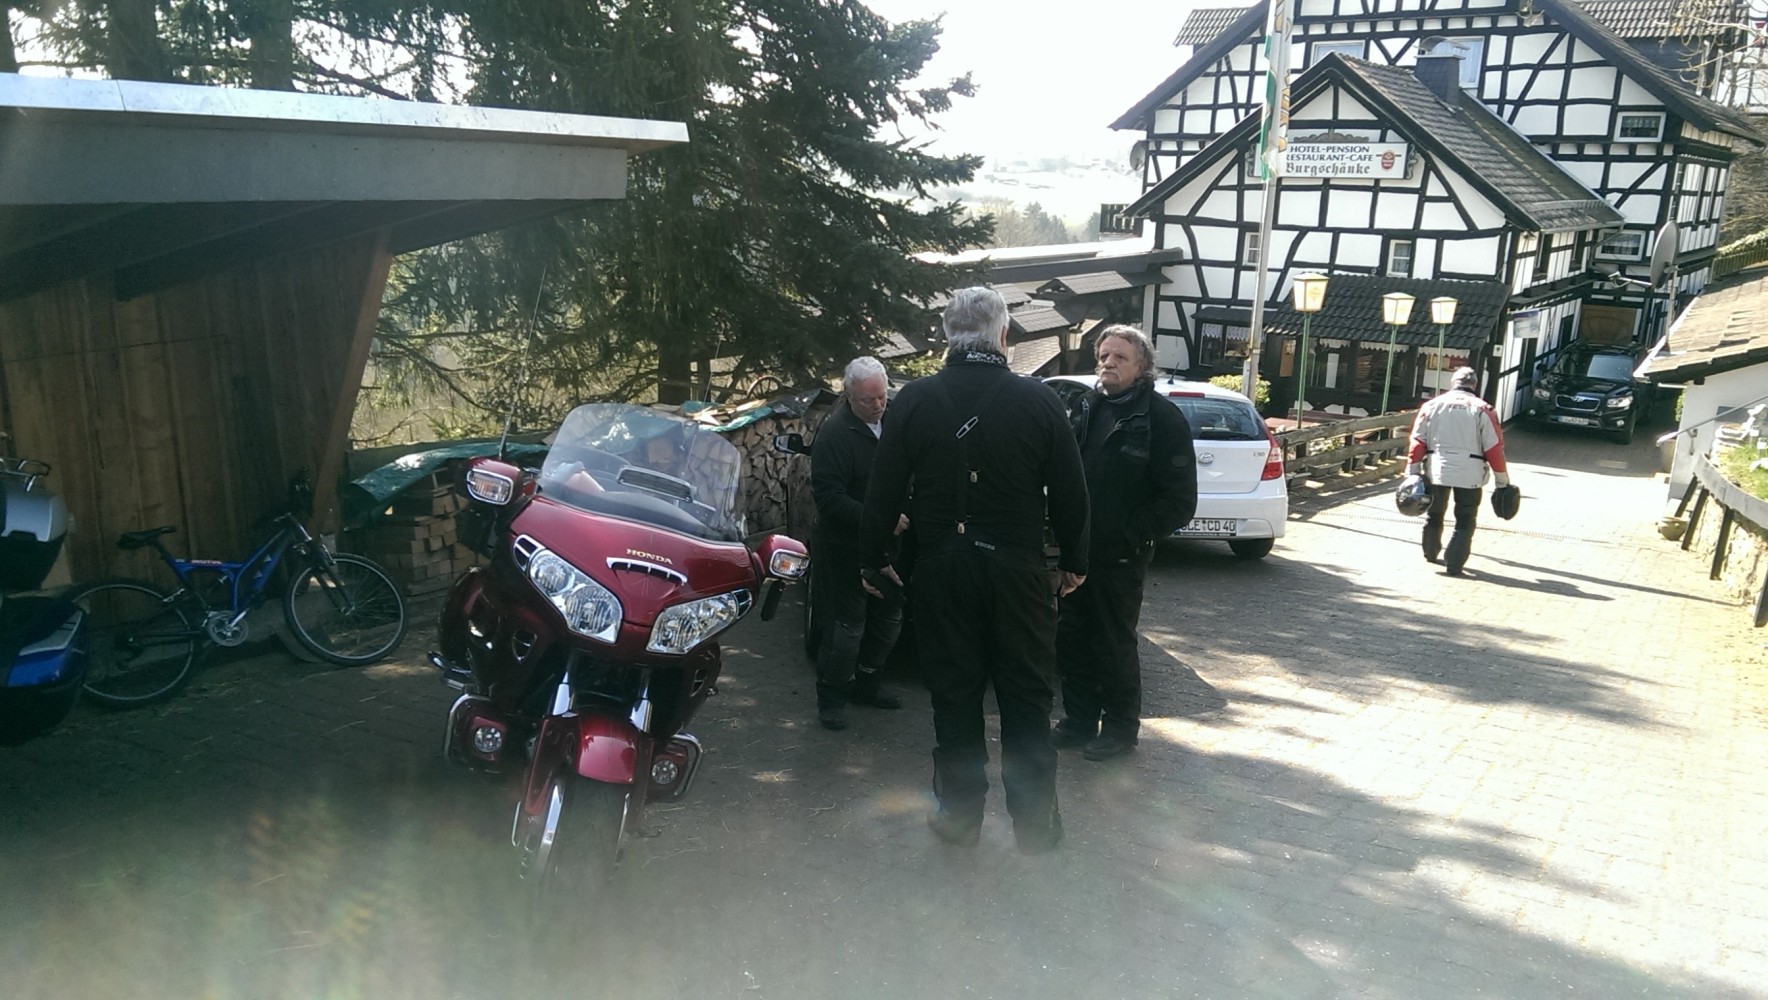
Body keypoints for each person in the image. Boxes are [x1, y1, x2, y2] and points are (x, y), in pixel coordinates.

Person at [859, 286, 1090, 855]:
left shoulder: (914, 400)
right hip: (1018, 574)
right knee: (1028, 697)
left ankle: (959, 819)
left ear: (946, 335)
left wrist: (874, 558)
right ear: (1004, 335)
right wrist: (1075, 562)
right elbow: (1071, 492)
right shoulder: (1040, 401)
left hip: (943, 570)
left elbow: (882, 490)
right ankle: (1036, 826)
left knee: (955, 695)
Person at [1052, 325, 1197, 761]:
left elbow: (1179, 501)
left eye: (1119, 357)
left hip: (1120, 556)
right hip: (1077, 550)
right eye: (1103, 355)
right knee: (1071, 638)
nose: (1108, 363)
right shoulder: (1086, 407)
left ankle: (1119, 729)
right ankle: (1078, 721)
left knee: (1112, 641)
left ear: (1142, 366)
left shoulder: (1161, 419)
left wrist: (1129, 534)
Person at [810, 356, 907, 731]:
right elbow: (829, 499)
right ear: (849, 397)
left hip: (891, 544)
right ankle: (832, 697)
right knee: (847, 627)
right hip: (843, 544)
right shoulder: (834, 434)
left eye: (882, 397)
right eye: (869, 400)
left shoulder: (897, 419)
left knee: (889, 618)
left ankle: (869, 682)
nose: (879, 405)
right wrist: (880, 519)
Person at [1405, 366, 1511, 576]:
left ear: (1453, 383)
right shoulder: (1484, 409)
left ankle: (1430, 553)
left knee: (1434, 514)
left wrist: (1411, 473)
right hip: (1470, 472)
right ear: (1474, 385)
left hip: (1437, 469)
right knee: (1465, 518)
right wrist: (1502, 481)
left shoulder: (1431, 406)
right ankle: (1454, 564)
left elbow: (1417, 442)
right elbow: (1494, 448)